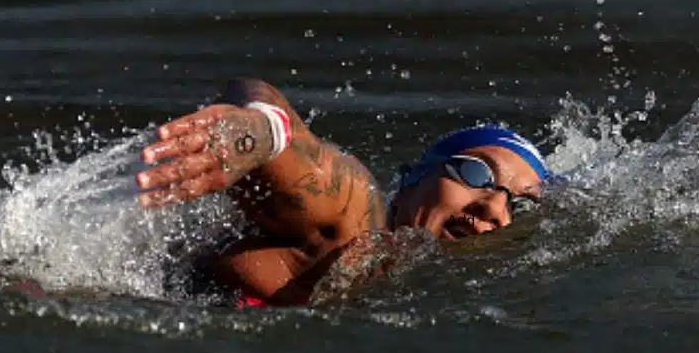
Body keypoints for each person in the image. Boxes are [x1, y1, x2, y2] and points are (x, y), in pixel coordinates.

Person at [135, 78, 557, 307]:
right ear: (412, 179)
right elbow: (325, 175)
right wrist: (264, 130)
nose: (494, 207)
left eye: (519, 205)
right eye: (476, 173)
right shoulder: (357, 230)